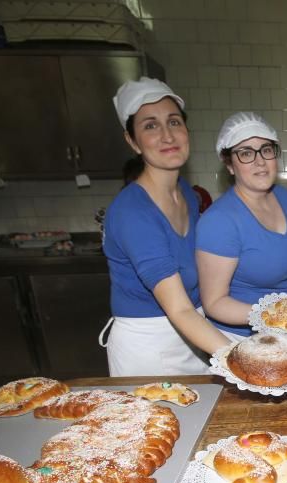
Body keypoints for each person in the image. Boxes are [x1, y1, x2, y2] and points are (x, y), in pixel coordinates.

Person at [101, 77, 230, 375]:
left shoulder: (186, 192)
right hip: (149, 350)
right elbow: (179, 308)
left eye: (174, 122)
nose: (167, 135)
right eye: (150, 125)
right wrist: (242, 357)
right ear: (132, 141)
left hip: (195, 335)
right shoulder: (133, 212)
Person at [196, 112, 287, 337]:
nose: (260, 161)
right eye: (245, 153)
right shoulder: (219, 221)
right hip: (244, 339)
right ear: (230, 165)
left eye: (266, 149)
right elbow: (214, 303)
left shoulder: (286, 199)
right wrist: (275, 315)